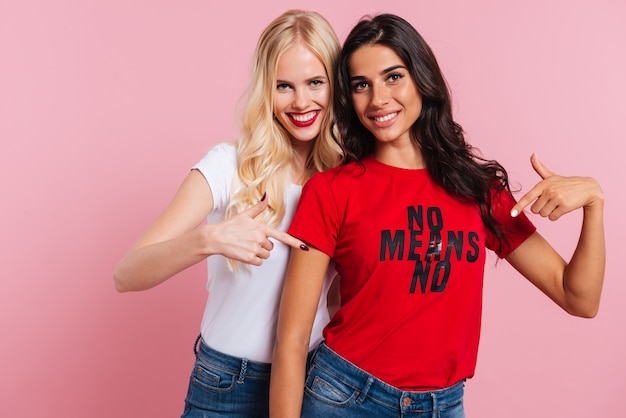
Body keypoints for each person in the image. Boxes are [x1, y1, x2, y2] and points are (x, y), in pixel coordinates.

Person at [269, 13, 605, 418]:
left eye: (393, 77)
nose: (378, 99)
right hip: (347, 396)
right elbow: (291, 339)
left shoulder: (477, 189)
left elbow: (579, 298)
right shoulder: (332, 190)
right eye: (362, 85)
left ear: (421, 79)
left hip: (444, 405)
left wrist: (594, 204)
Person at [113, 9, 342, 418]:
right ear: (265, 91)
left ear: (335, 86)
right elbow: (126, 274)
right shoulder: (228, 165)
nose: (302, 101)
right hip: (226, 386)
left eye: (315, 83)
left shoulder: (347, 177)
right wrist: (210, 239)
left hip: (315, 383)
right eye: (283, 86)